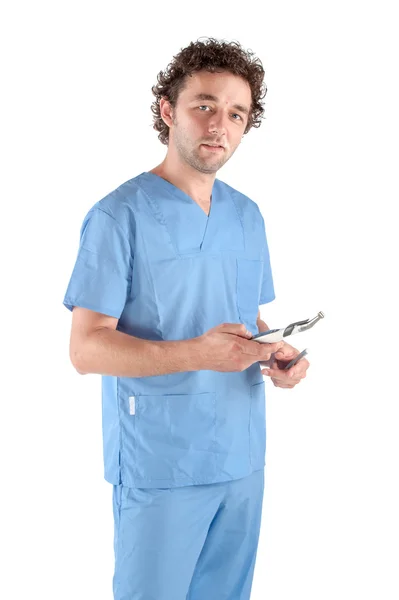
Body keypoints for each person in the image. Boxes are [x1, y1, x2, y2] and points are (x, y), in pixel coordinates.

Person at [63, 37, 310, 600]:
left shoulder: (247, 216)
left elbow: (243, 317)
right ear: (168, 111)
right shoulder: (117, 216)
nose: (218, 125)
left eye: (235, 113)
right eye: (204, 105)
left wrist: (276, 353)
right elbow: (85, 349)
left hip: (241, 455)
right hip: (162, 461)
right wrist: (199, 353)